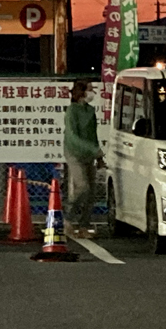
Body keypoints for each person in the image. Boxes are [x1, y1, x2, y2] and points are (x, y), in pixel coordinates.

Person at [64, 79, 102, 238]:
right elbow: (72, 137)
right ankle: (67, 219)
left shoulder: (90, 111)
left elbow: (93, 134)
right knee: (82, 187)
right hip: (74, 153)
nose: (92, 92)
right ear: (81, 92)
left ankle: (84, 226)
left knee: (91, 192)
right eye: (90, 89)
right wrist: (94, 149)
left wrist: (97, 156)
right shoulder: (72, 111)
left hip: (88, 154)